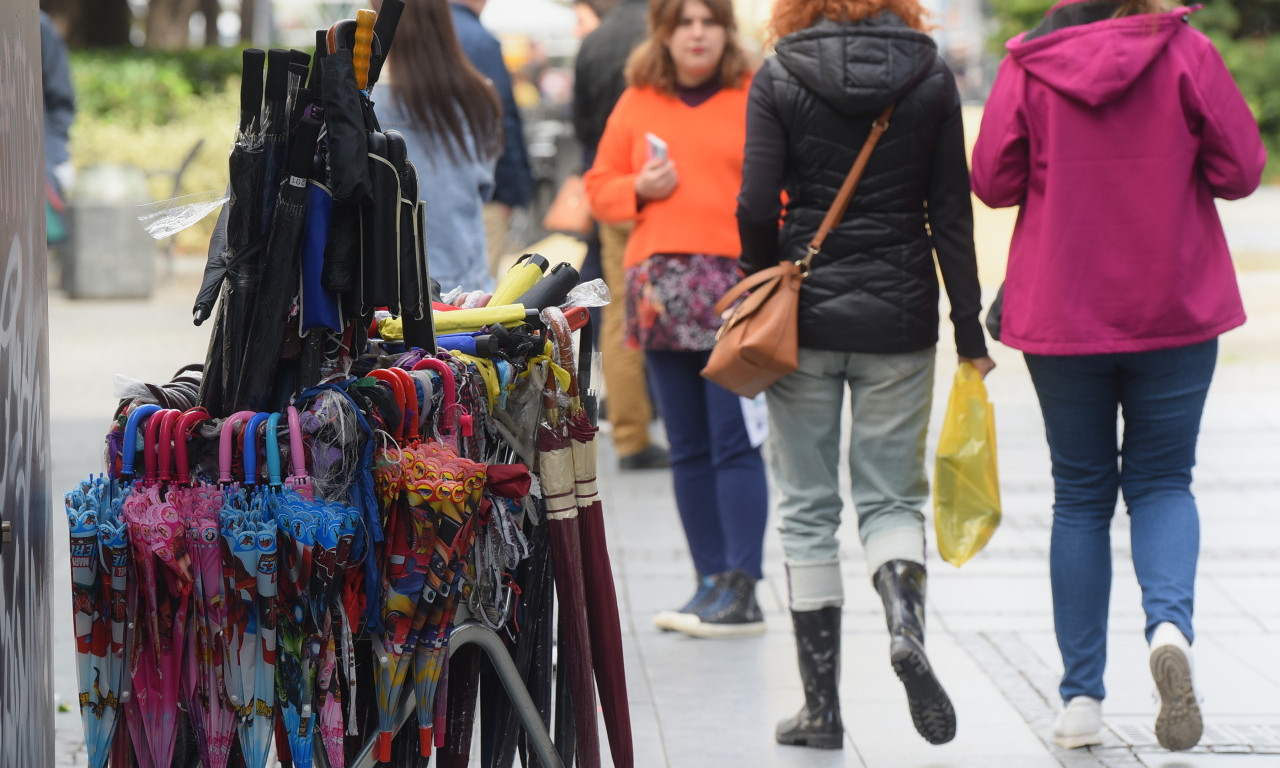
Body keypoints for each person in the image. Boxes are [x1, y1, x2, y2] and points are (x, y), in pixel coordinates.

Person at [971, 0, 1265, 753]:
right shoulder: (1187, 52)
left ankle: (1080, 699)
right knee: (1165, 481)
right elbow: (1241, 172)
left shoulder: (1028, 64)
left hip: (1062, 311)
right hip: (1174, 301)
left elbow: (994, 182)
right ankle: (1169, 626)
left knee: (1080, 496)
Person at [736, 0, 996, 749]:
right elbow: (951, 213)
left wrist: (761, 287)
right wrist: (968, 330)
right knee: (891, 497)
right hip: (902, 315)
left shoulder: (779, 72)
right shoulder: (931, 75)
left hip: (802, 319)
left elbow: (756, 202)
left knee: (808, 507)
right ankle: (905, 623)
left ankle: (821, 710)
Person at [584, 0, 767, 638]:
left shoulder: (753, 94)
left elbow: (785, 189)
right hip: (658, 292)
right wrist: (641, 187)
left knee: (734, 439)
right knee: (688, 444)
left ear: (725, 31)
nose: (696, 32)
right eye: (684, 21)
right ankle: (710, 581)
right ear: (664, 32)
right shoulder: (638, 99)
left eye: (708, 21)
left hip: (732, 292)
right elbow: (599, 186)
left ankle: (743, 586)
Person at [574, 0, 670, 471]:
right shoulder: (668, 31)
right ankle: (686, 411)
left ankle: (631, 432)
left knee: (621, 313)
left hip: (613, 186)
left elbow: (582, 124)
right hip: (671, 185)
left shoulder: (594, 40)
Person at [376, 0, 503, 294]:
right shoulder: (480, 97)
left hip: (391, 293)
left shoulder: (370, 104)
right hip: (467, 290)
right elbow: (484, 185)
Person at [449, 0, 534, 277]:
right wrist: (510, 192)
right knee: (476, 293)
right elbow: (501, 119)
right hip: (481, 189)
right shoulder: (480, 41)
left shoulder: (422, 35)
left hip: (432, 188)